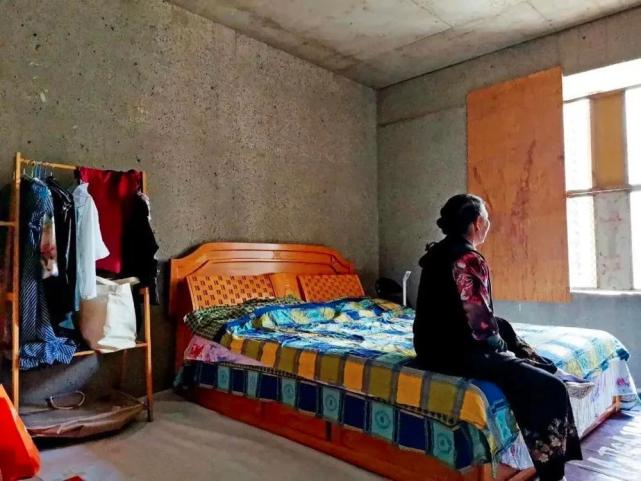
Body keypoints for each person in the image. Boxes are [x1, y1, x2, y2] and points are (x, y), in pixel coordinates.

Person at [413, 194, 588, 481]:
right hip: (455, 354)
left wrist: (498, 337)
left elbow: (471, 315)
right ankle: (554, 475)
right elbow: (481, 327)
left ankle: (546, 366)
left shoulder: (437, 253)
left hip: (430, 346)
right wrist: (502, 351)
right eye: (487, 219)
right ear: (476, 223)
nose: (488, 224)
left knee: (503, 325)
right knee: (551, 389)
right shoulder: (467, 258)